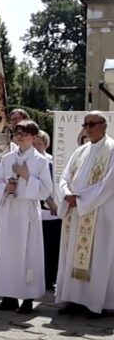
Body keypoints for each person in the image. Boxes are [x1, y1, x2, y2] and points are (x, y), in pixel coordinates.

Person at [55, 112, 114, 318]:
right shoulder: (80, 151)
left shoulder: (112, 149)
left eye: (92, 124)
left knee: (97, 257)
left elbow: (108, 184)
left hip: (99, 212)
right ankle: (74, 299)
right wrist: (67, 194)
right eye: (86, 124)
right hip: (76, 212)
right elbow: (65, 176)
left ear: (104, 126)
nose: (88, 128)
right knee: (73, 256)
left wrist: (80, 200)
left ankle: (95, 303)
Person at [0, 120, 53, 313]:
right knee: (8, 253)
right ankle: (8, 296)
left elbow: (46, 190)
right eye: (17, 133)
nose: (20, 137)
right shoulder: (7, 158)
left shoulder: (40, 161)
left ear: (34, 137)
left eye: (24, 134)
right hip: (10, 209)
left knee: (28, 254)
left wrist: (27, 176)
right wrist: (5, 188)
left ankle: (27, 298)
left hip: (27, 212)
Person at [35, 130, 61, 291]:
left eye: (39, 144)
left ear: (46, 145)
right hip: (38, 210)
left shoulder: (51, 162)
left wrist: (52, 203)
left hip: (52, 212)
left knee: (52, 247)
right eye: (34, 143)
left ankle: (50, 278)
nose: (36, 147)